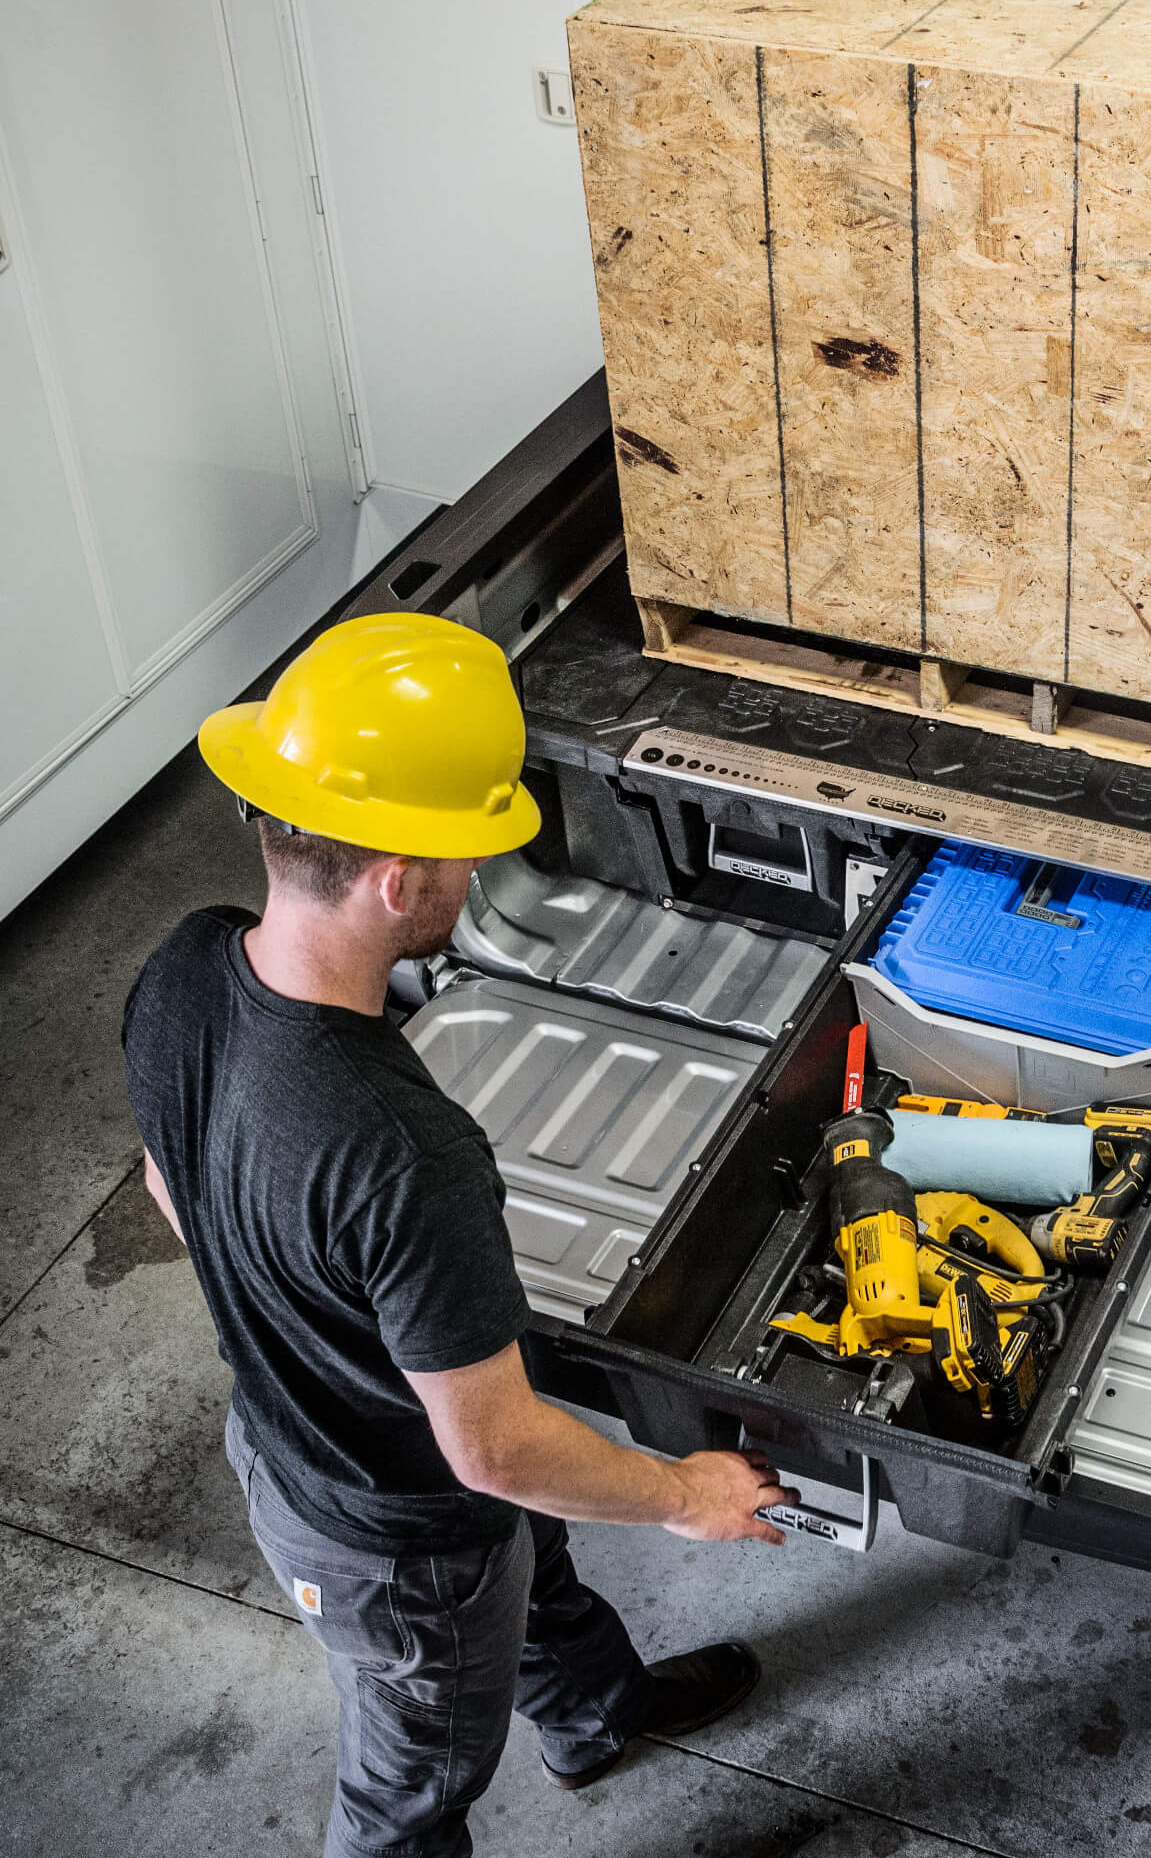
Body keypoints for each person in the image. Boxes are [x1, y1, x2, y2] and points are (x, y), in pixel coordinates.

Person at [122, 613, 799, 1857]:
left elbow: (170, 1186)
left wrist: (306, 1326)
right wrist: (680, 1494)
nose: (480, 876)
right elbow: (492, 1450)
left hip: (298, 1443)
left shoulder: (183, 968)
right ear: (396, 880)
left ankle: (595, 1718)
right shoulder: (402, 1151)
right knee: (406, 1800)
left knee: (531, 1561)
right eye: (470, 853)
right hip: (392, 1548)